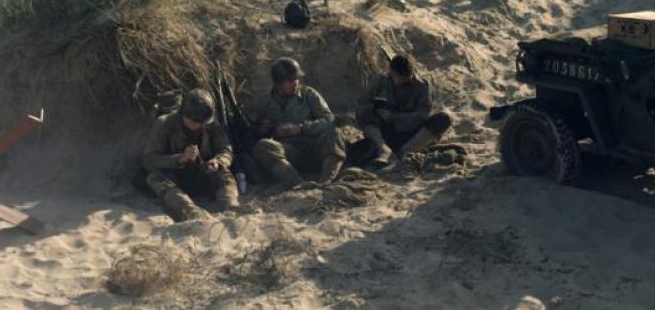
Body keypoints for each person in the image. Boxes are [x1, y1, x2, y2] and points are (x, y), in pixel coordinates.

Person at [142, 88, 239, 221]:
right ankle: (190, 211)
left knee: (223, 172)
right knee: (155, 178)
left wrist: (218, 161)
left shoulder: (210, 125)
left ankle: (232, 207)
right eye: (193, 121)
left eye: (200, 122)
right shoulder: (164, 124)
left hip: (202, 172)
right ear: (183, 113)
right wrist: (179, 159)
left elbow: (226, 150)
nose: (197, 125)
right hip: (175, 178)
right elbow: (149, 160)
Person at [252, 57, 346, 187]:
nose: (295, 83)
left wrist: (301, 128)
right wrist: (266, 130)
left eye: (296, 79)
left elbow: (329, 120)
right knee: (262, 146)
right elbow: (258, 134)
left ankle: (326, 182)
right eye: (290, 80)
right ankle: (297, 183)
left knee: (335, 134)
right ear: (278, 83)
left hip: (316, 149)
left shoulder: (309, 94)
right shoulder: (264, 103)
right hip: (290, 154)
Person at [358, 54, 452, 168]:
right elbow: (362, 104)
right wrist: (376, 109)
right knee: (364, 114)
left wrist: (393, 116)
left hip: (411, 135)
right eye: (397, 77)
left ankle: (406, 152)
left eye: (405, 77)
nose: (400, 81)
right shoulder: (381, 81)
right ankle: (384, 151)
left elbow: (422, 115)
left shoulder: (422, 86)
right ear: (392, 72)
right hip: (386, 132)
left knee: (444, 118)